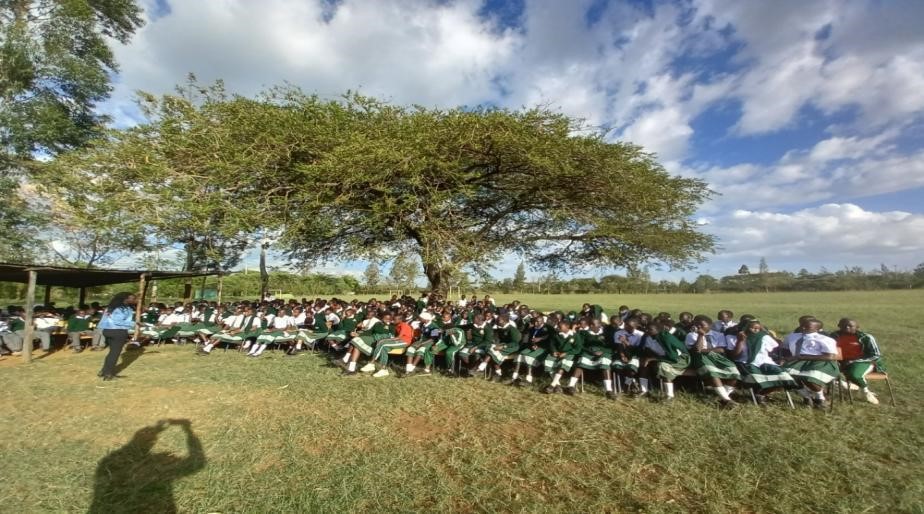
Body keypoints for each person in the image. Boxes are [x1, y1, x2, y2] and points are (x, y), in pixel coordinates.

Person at [728, 319, 797, 405]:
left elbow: (775, 346)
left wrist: (769, 334)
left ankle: (761, 394)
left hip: (765, 362)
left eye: (757, 328)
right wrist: (740, 341)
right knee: (756, 378)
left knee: (784, 377)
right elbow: (736, 355)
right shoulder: (740, 337)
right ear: (746, 328)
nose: (755, 330)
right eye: (752, 328)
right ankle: (757, 394)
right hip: (747, 362)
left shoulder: (764, 337)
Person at [783, 320, 838, 409]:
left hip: (820, 362)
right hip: (797, 361)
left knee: (809, 378)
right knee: (785, 376)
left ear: (818, 329)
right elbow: (785, 349)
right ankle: (806, 397)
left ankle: (820, 398)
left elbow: (830, 357)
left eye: (807, 327)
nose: (803, 328)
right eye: (802, 325)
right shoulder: (792, 336)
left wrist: (803, 357)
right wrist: (784, 358)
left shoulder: (825, 339)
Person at [685, 316, 740, 407]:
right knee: (712, 372)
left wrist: (703, 350)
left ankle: (721, 397)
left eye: (702, 325)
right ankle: (726, 399)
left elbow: (721, 350)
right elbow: (696, 350)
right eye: (697, 325)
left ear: (710, 325)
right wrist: (700, 335)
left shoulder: (718, 335)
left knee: (735, 373)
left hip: (717, 357)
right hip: (700, 358)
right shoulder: (691, 335)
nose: (699, 327)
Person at [829, 318, 885, 405]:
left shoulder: (866, 337)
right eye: (844, 326)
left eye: (850, 326)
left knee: (854, 374)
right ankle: (848, 386)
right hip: (840, 362)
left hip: (864, 362)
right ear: (839, 326)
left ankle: (866, 392)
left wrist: (854, 361)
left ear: (857, 327)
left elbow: (876, 355)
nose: (847, 327)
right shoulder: (833, 336)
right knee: (825, 373)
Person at [636, 321, 690, 401]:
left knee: (663, 366)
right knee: (644, 365)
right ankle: (643, 390)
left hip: (680, 359)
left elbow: (673, 357)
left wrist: (652, 359)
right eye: (646, 329)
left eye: (650, 329)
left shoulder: (665, 338)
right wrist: (646, 358)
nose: (647, 331)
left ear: (658, 330)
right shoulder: (647, 337)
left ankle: (669, 395)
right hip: (661, 357)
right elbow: (646, 349)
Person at [97, 292, 137, 380]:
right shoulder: (121, 309)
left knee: (112, 353)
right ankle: (108, 374)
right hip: (118, 331)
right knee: (115, 354)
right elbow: (117, 321)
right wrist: (135, 323)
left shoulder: (111, 307)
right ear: (126, 299)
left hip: (107, 330)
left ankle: (103, 371)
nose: (135, 300)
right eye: (133, 298)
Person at [543, 320, 583, 394]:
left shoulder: (575, 335)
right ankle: (558, 385)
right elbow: (552, 344)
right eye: (558, 326)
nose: (558, 328)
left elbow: (578, 349)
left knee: (562, 365)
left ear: (567, 327)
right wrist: (554, 351)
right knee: (549, 363)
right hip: (557, 353)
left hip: (569, 354)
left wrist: (566, 353)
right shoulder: (556, 334)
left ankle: (552, 385)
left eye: (560, 327)